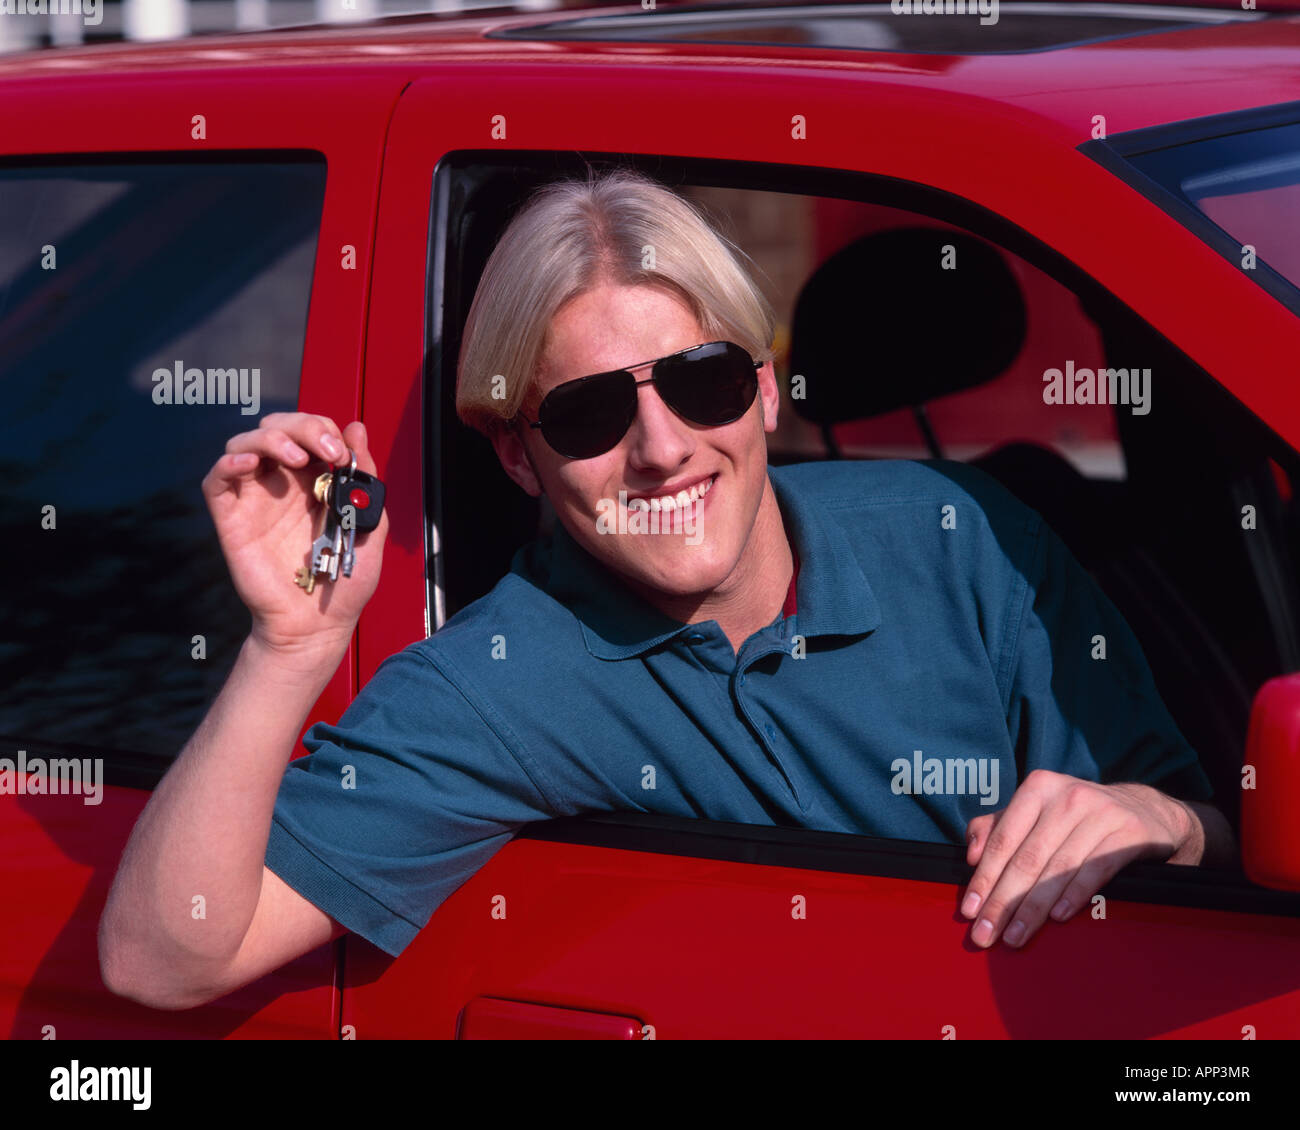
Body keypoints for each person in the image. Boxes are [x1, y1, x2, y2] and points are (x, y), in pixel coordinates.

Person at [99, 168, 1235, 1010]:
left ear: (767, 391)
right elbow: (163, 958)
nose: (661, 448)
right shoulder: (506, 678)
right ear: (517, 457)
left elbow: (1221, 860)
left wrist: (1159, 816)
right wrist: (286, 647)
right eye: (589, 413)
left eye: (701, 381)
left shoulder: (963, 533)